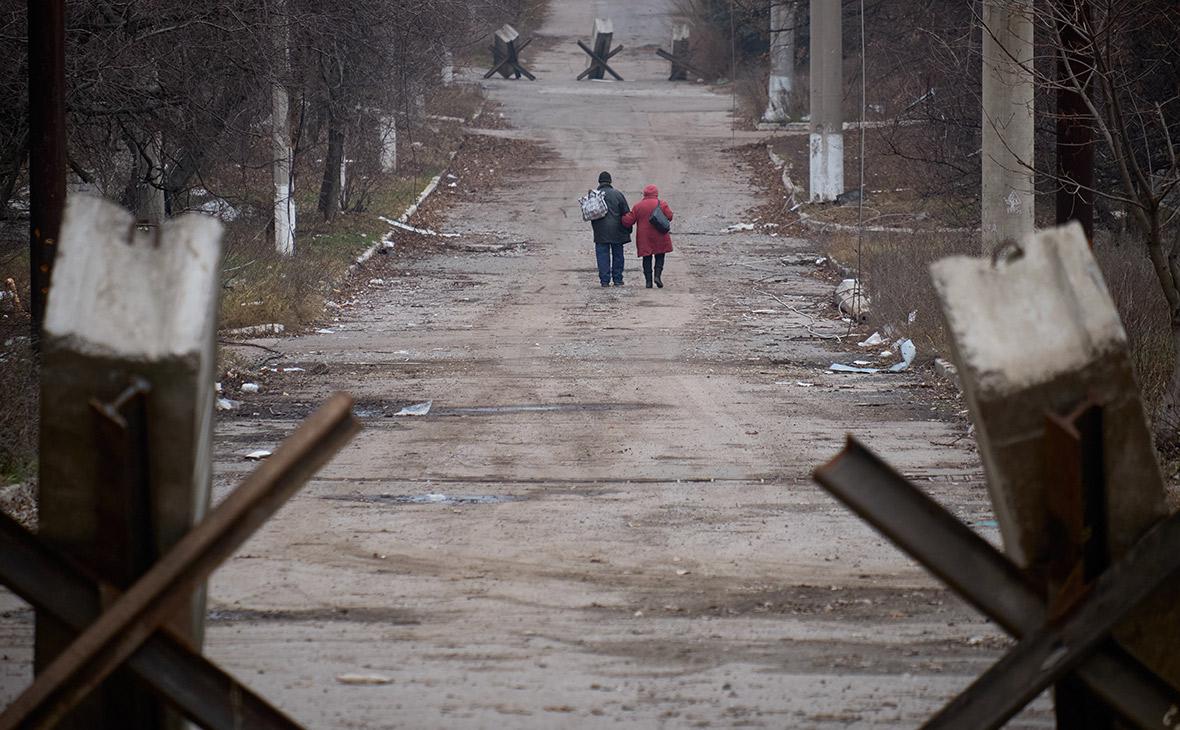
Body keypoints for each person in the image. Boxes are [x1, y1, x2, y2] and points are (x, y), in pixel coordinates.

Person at [622, 184, 673, 288]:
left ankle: (648, 281)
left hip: (644, 237)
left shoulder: (638, 206)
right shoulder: (662, 204)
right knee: (660, 255)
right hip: (660, 235)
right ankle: (657, 276)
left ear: (644, 194)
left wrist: (621, 217)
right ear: (656, 193)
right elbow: (670, 216)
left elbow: (628, 221)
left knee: (647, 258)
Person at [590, 171, 631, 287]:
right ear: (610, 181)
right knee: (618, 255)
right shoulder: (618, 194)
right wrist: (628, 229)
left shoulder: (594, 196)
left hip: (600, 232)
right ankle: (617, 279)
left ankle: (604, 280)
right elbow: (626, 213)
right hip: (617, 231)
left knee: (602, 256)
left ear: (599, 181)